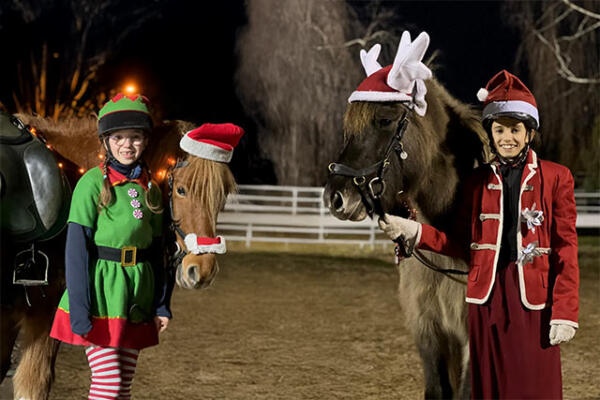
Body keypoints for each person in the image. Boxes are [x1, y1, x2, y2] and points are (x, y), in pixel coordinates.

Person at [379, 70, 579, 399]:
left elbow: (565, 250)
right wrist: (415, 232)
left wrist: (565, 312)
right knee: (488, 387)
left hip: (533, 301)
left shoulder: (557, 178)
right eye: (499, 130)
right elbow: (460, 245)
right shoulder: (475, 182)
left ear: (529, 132)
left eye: (515, 129)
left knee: (534, 385)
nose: (507, 138)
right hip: (486, 301)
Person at [50, 93, 173, 399]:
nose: (127, 145)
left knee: (123, 385)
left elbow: (158, 254)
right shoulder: (91, 183)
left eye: (135, 137)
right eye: (118, 137)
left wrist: (161, 304)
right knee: (109, 383)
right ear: (105, 141)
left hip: (137, 295)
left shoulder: (151, 189)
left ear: (145, 141)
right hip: (101, 293)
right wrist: (80, 308)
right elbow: (76, 250)